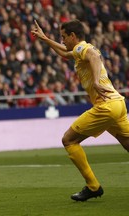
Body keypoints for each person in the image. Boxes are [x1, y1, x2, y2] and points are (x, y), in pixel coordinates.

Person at [32, 19, 129, 201]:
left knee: (69, 140)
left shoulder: (82, 48)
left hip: (106, 106)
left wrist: (95, 81)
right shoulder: (78, 50)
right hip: (118, 104)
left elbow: (93, 56)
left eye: (63, 37)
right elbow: (64, 53)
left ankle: (93, 186)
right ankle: (93, 187)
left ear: (73, 36)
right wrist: (45, 39)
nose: (62, 41)